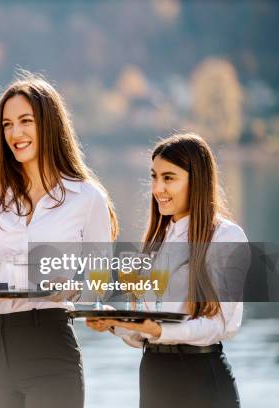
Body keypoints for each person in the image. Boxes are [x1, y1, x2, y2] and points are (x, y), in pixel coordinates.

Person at [0, 71, 119, 408]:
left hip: (48, 340)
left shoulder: (86, 198)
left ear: (49, 124)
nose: (15, 133)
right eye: (6, 124)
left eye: (25, 121)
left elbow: (102, 280)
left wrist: (72, 286)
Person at [87, 133, 248, 408]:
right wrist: (116, 323)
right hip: (153, 376)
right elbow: (144, 332)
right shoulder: (154, 245)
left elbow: (223, 325)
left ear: (196, 180)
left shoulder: (226, 237)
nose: (157, 188)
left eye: (169, 178)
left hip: (202, 380)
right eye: (154, 177)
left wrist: (162, 331)